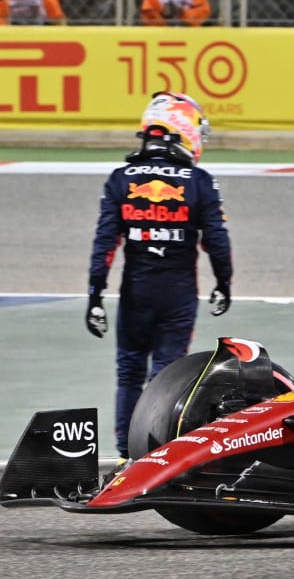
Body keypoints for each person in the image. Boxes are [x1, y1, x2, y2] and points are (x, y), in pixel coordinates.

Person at [86, 91, 232, 461]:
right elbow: (216, 239)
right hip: (178, 292)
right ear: (182, 128)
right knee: (167, 373)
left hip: (135, 290)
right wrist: (224, 282)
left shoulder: (120, 178)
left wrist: (95, 296)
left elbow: (105, 241)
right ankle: (158, 451)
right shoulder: (199, 181)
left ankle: (126, 453)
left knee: (129, 372)